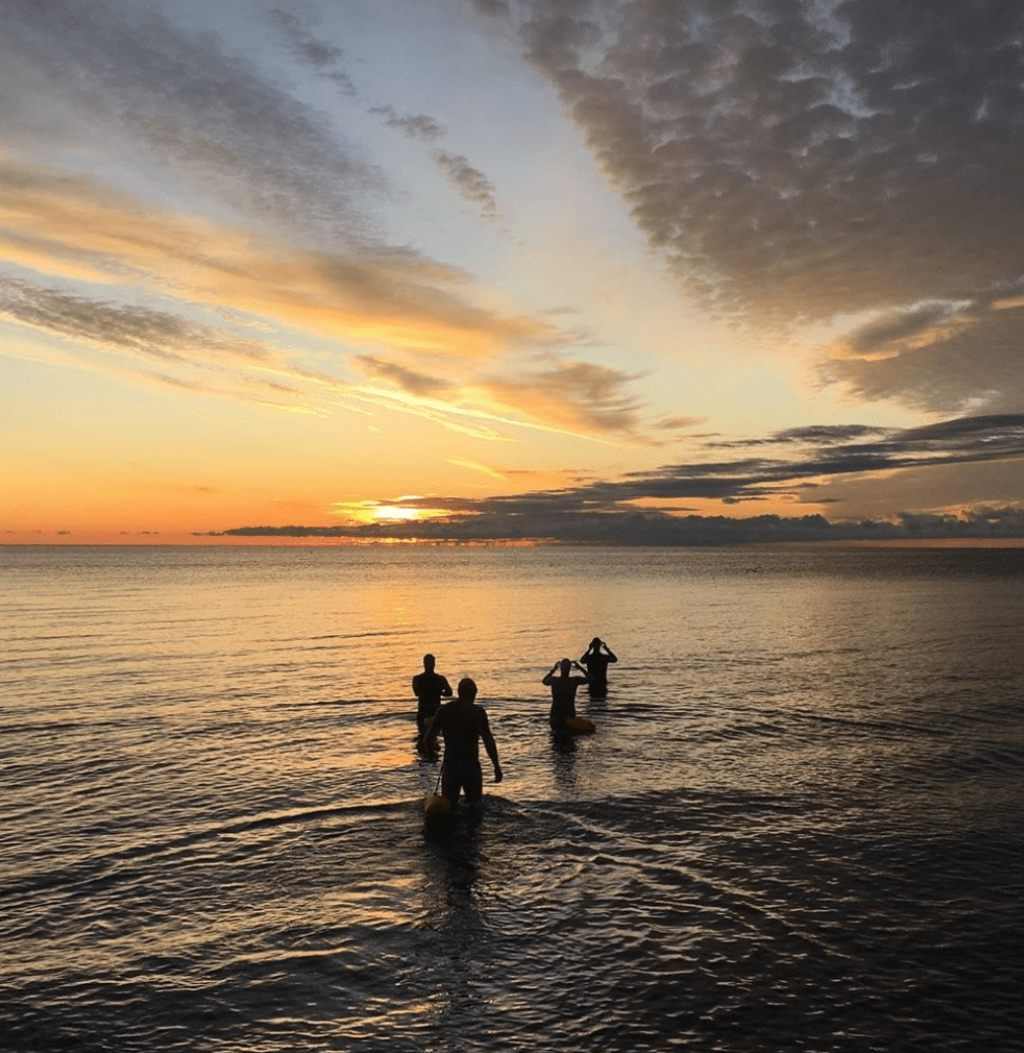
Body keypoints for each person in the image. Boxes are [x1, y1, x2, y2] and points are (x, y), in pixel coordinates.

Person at [426, 677, 502, 806]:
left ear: (460, 692)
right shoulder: (478, 713)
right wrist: (496, 766)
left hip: (451, 765)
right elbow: (488, 741)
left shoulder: (444, 711)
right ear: (473, 693)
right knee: (475, 808)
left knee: (449, 808)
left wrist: (432, 755)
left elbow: (428, 738)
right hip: (471, 766)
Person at [413, 653, 452, 750]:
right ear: (434, 664)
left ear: (424, 664)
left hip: (423, 711)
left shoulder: (417, 679)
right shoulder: (440, 679)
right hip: (435, 711)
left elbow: (416, 693)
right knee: (434, 736)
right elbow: (449, 692)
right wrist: (439, 692)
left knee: (422, 736)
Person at [542, 658, 590, 729]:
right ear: (569, 669)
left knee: (555, 734)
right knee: (569, 735)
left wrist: (554, 669)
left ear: (560, 668)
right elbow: (591, 679)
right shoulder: (574, 681)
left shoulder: (555, 680)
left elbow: (544, 681)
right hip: (569, 711)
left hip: (556, 712)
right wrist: (580, 668)